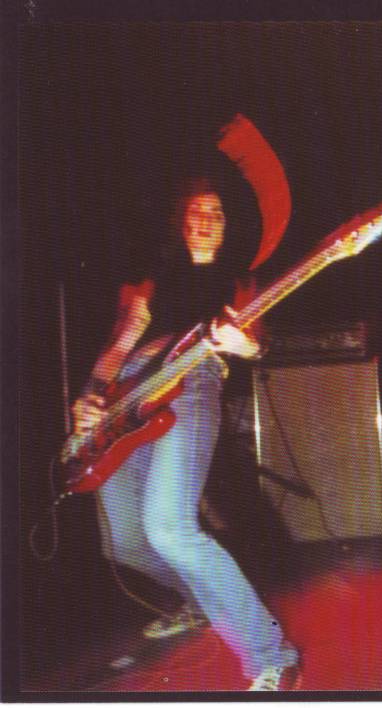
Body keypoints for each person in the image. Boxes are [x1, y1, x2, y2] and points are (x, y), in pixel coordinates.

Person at [70, 177, 302, 691]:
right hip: (126, 397)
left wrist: (248, 347)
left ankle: (272, 655)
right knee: (125, 541)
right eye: (198, 210)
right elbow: (121, 343)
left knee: (170, 529)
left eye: (217, 213)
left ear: (227, 226)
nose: (207, 220)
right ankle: (198, 602)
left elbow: (256, 337)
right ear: (179, 220)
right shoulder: (149, 279)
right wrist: (90, 395)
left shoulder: (238, 282)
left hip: (191, 380)